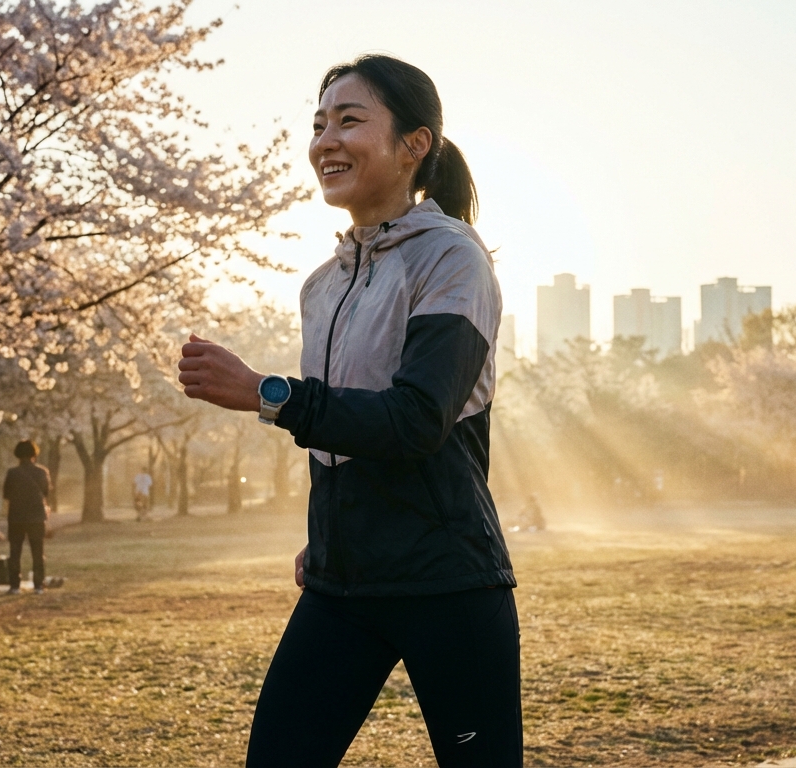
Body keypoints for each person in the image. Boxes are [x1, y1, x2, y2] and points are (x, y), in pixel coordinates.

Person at [178, 55, 519, 767]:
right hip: (342, 583)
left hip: (445, 582)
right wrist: (334, 525)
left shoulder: (452, 260)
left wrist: (265, 393)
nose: (326, 140)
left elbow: (415, 420)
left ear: (414, 144)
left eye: (350, 120)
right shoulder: (320, 287)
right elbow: (340, 430)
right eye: (318, 124)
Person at [3, 439, 52, 595]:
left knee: (15, 552)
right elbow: (46, 492)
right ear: (34, 454)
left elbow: (7, 494)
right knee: (38, 552)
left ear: (17, 454)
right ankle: (38, 585)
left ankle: (14, 585)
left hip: (16, 516)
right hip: (37, 516)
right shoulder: (42, 472)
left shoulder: (12, 473)